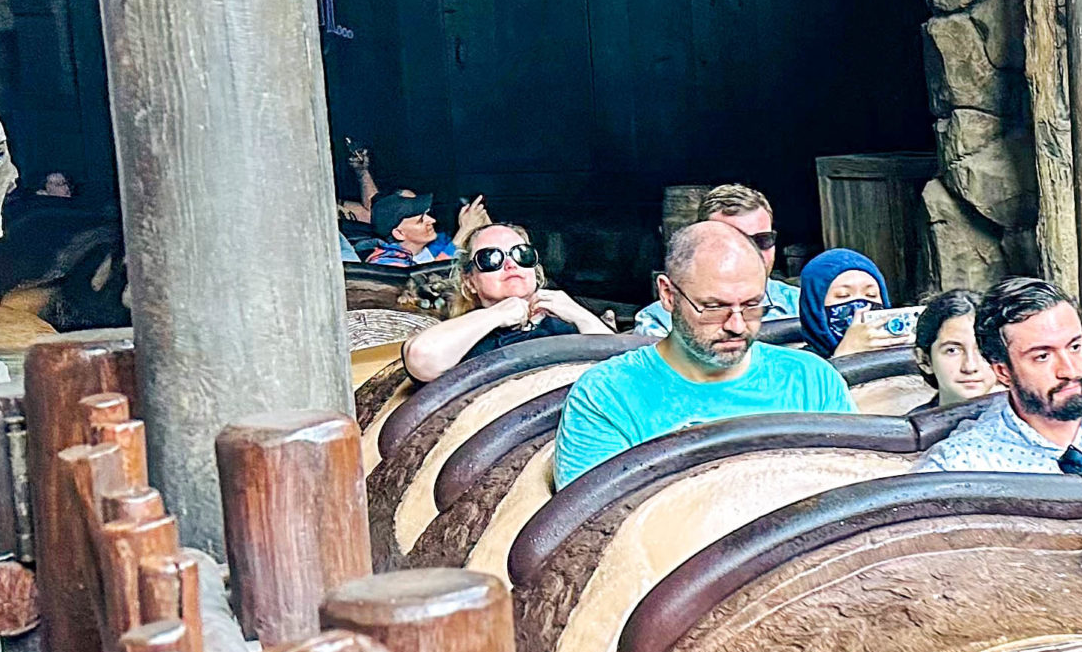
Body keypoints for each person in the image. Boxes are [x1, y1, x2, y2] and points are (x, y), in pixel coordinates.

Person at [554, 219, 853, 485]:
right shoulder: (607, 396)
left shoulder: (812, 380)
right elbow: (593, 529)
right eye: (713, 307)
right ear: (668, 295)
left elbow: (851, 488)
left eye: (752, 305)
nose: (737, 326)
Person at [917, 277, 1082, 473]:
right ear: (1003, 371)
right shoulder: (963, 464)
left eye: (1074, 347)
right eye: (1042, 356)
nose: (1069, 370)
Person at [401, 222, 610, 382]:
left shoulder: (569, 324)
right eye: (490, 258)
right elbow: (421, 358)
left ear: (534, 271)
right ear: (470, 281)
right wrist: (497, 314)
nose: (510, 264)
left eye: (522, 254)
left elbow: (627, 372)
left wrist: (580, 315)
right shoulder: (464, 339)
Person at [634, 185, 800, 334]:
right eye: (733, 241)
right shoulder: (660, 320)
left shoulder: (805, 304)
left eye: (763, 240)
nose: (751, 253)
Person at [796, 248, 891, 358]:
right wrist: (845, 355)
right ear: (814, 306)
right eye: (843, 295)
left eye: (871, 294)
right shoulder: (798, 365)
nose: (860, 308)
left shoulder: (902, 352)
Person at [912, 289, 997, 409]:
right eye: (952, 350)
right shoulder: (907, 426)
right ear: (925, 360)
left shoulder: (1028, 419)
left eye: (983, 350)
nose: (970, 367)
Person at [363, 193, 456, 268]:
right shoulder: (385, 264)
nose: (432, 220)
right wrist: (462, 234)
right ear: (399, 234)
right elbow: (422, 285)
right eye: (421, 220)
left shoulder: (435, 246)